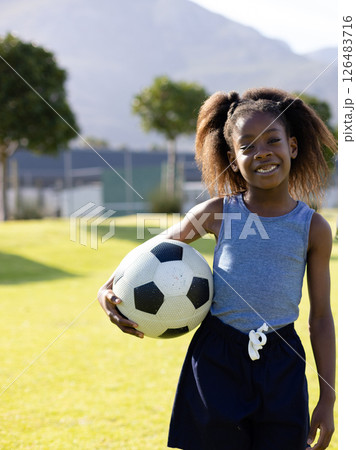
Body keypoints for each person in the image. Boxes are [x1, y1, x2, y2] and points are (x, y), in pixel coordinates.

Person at [97, 87, 337, 450]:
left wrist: (328, 398)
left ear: (293, 146)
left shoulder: (313, 228)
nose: (262, 153)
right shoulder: (217, 212)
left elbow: (320, 318)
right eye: (248, 146)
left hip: (282, 362)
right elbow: (152, 251)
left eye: (273, 140)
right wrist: (107, 288)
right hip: (216, 359)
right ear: (232, 157)